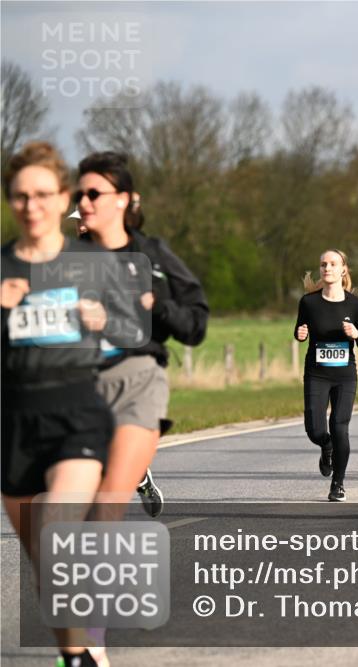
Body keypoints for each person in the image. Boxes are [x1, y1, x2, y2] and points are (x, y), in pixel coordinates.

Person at [2, 141, 143, 667]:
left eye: (42, 194)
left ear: (62, 196)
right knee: (46, 563)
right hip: (14, 422)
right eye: (20, 196)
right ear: (11, 202)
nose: (31, 206)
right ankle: (76, 656)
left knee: (59, 535)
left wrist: (105, 322)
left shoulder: (93, 263)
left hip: (78, 415)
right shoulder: (0, 270)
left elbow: (135, 332)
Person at [77, 152, 209, 519]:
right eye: (79, 196)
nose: (84, 204)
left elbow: (196, 325)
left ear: (123, 199)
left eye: (94, 194)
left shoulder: (153, 255)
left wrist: (158, 306)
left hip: (138, 378)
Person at [295, 249, 358, 501]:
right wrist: (300, 334)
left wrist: (356, 334)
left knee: (340, 427)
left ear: (343, 270)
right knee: (315, 430)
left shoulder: (355, 304)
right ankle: (325, 446)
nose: (327, 268)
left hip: (345, 376)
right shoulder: (309, 302)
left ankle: (338, 483)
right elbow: (300, 328)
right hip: (316, 374)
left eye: (333, 264)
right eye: (323, 264)